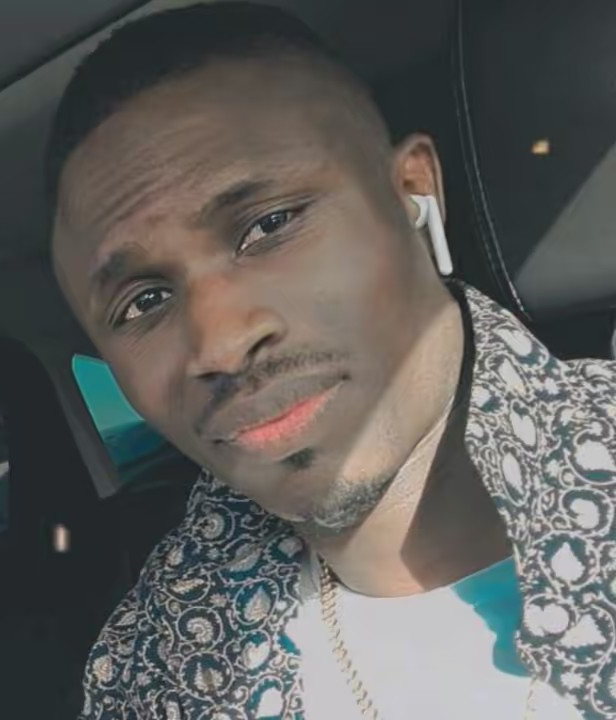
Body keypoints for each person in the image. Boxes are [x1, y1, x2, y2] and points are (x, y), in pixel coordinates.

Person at [46, 4, 616, 718]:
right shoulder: (147, 666)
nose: (220, 343)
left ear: (412, 194)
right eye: (145, 301)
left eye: (268, 225)